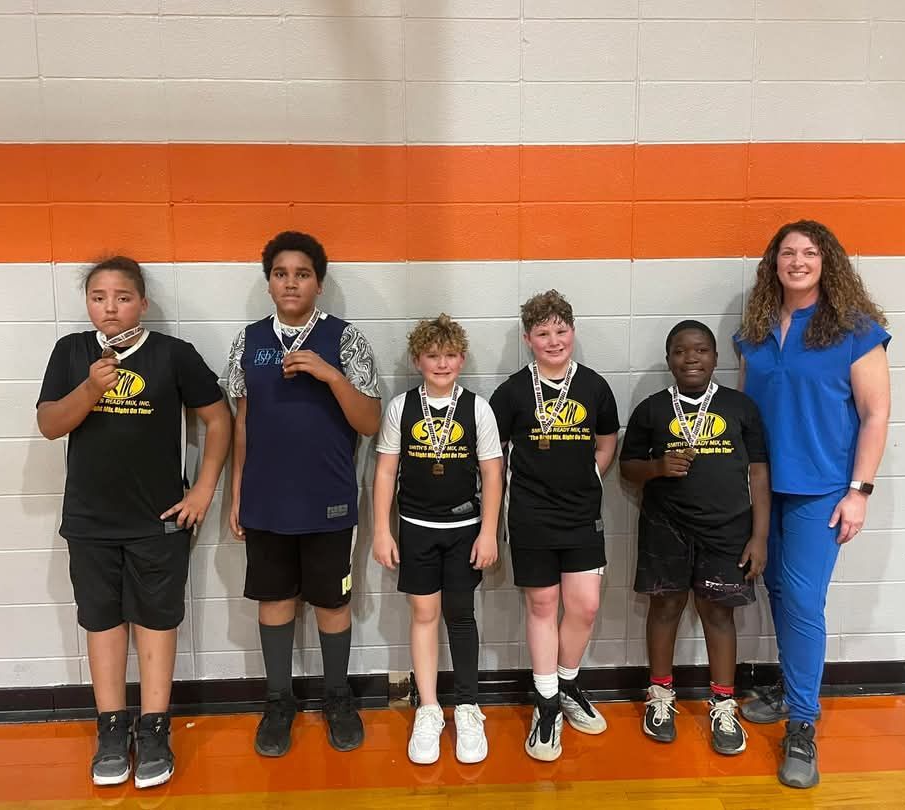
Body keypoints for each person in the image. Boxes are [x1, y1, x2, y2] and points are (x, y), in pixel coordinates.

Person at [37, 256, 232, 789]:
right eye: (99, 297)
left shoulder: (173, 355)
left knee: (156, 622)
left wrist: (204, 489)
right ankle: (110, 726)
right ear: (88, 303)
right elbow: (50, 424)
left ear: (142, 303)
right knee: (101, 621)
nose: (110, 308)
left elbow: (219, 418)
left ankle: (153, 726)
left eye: (122, 297)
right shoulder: (71, 352)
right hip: (90, 520)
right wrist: (89, 389)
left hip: (159, 520)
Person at [735, 220, 891, 789]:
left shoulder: (854, 329)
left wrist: (859, 491)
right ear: (772, 263)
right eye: (786, 252)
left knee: (802, 601)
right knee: (776, 589)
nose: (797, 261)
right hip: (762, 487)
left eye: (809, 252)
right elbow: (747, 411)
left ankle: (802, 724)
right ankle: (790, 688)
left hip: (822, 488)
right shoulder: (753, 329)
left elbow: (876, 414)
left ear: (828, 262)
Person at [226, 231, 382, 758]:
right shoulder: (249, 340)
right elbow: (242, 423)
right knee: (273, 601)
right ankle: (278, 702)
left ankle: (338, 698)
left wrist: (329, 374)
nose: (291, 282)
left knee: (332, 602)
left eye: (302, 273)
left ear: (318, 281)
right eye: (280, 273)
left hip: (329, 500)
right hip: (267, 499)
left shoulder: (345, 339)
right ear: (268, 280)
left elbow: (369, 420)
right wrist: (236, 494)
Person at [620, 320, 770, 756]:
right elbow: (628, 468)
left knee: (719, 614)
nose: (691, 358)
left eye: (701, 350)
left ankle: (723, 703)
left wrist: (759, 536)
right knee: (665, 607)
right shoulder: (651, 409)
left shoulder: (741, 407)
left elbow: (759, 473)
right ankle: (661, 696)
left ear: (716, 358)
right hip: (666, 527)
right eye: (681, 351)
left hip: (728, 529)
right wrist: (657, 468)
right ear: (669, 359)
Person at [489, 290, 620, 762]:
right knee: (542, 604)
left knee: (583, 606)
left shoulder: (594, 386)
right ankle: (545, 706)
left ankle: (567, 685)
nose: (553, 339)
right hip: (530, 516)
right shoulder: (512, 392)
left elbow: (607, 442)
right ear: (528, 339)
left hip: (582, 515)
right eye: (542, 332)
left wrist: (590, 475)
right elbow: (492, 456)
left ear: (573, 332)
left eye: (561, 330)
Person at [372, 315, 503, 765]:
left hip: (465, 529)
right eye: (433, 356)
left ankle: (467, 706)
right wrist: (381, 528)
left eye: (449, 355)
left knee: (461, 615)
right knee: (424, 613)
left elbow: (492, 473)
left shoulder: (478, 409)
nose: (441, 363)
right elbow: (386, 470)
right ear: (418, 360)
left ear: (461, 359)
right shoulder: (401, 407)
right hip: (416, 528)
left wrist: (489, 531)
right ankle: (428, 708)